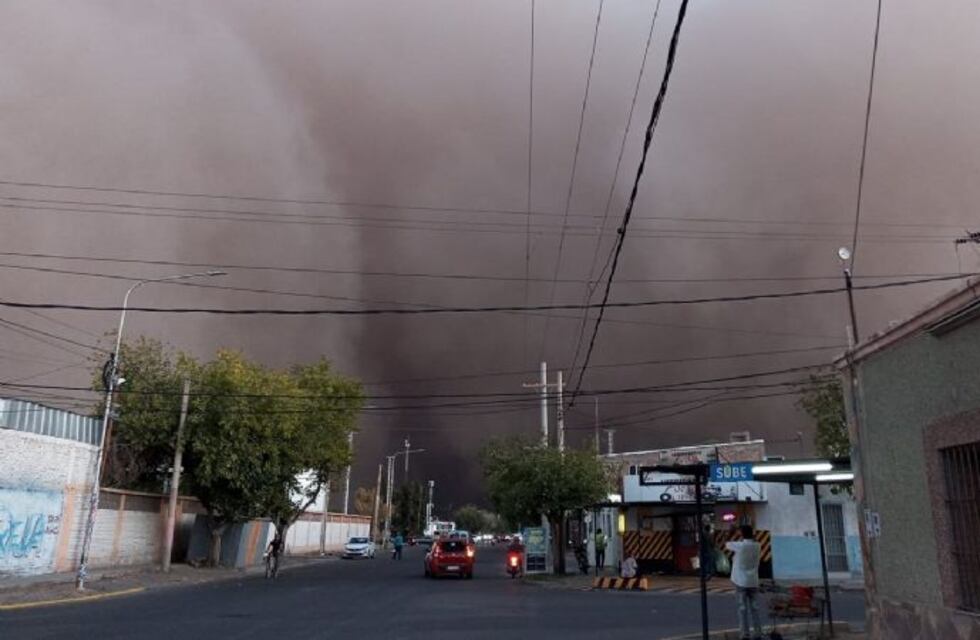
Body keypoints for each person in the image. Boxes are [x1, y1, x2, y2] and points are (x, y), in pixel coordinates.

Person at [726, 524, 763, 640]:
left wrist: (730, 533)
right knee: (755, 609)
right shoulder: (758, 546)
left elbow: (727, 544)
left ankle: (745, 634)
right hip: (753, 581)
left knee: (742, 609)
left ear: (742, 534)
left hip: (741, 581)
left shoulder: (740, 546)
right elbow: (752, 541)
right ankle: (758, 633)